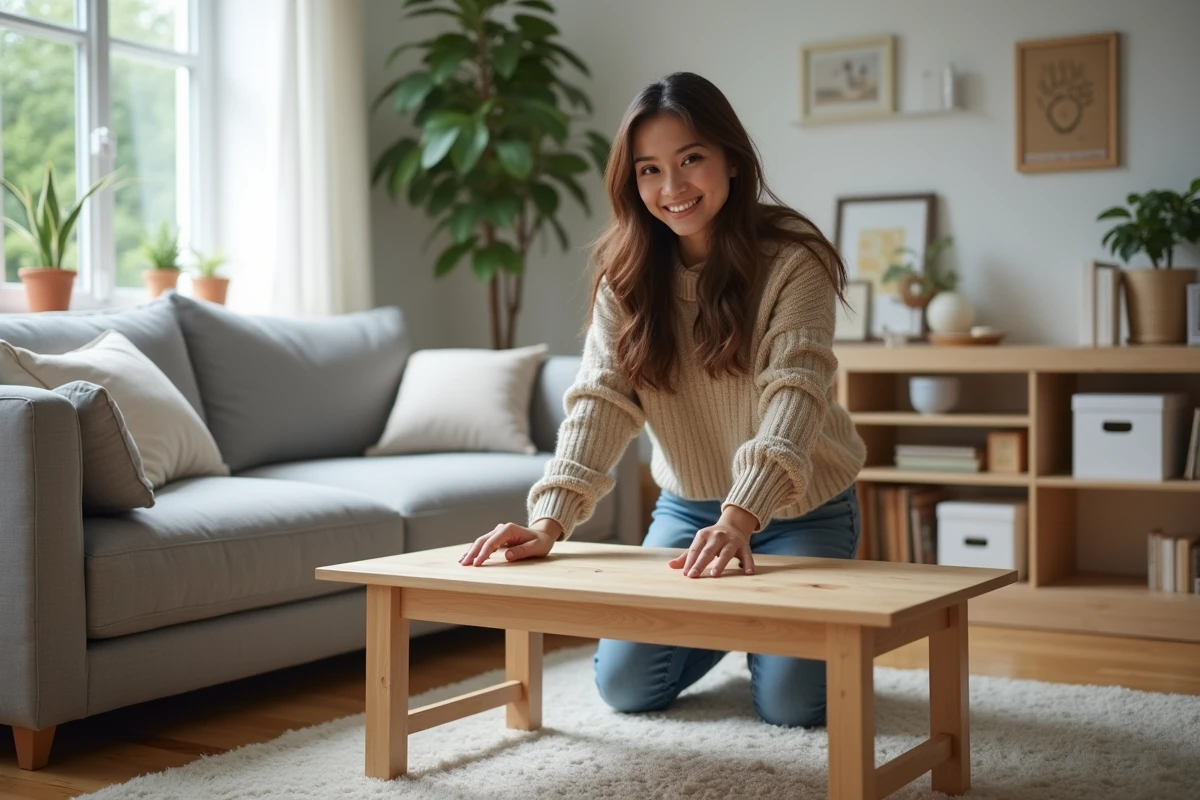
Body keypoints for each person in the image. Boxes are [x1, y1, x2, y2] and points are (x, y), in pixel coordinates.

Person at [459, 71, 867, 728]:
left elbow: (796, 394)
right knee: (625, 687)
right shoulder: (626, 278)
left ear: (731, 160)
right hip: (688, 505)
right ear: (631, 183)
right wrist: (547, 524)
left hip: (802, 507)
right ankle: (751, 626)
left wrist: (740, 520)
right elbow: (600, 403)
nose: (672, 188)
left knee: (792, 706)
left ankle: (776, 641)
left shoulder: (794, 260)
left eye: (690, 160)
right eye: (649, 170)